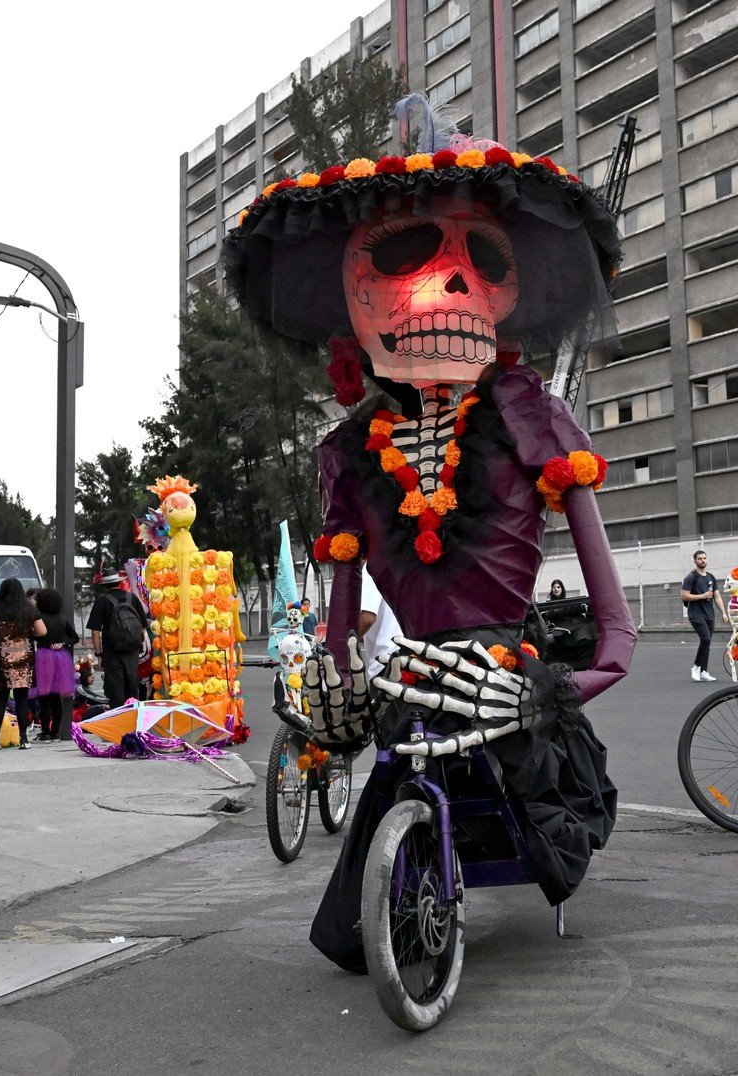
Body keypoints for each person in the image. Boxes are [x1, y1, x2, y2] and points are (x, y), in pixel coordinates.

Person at [223, 94, 633, 974]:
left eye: (478, 260)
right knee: (357, 916)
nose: (442, 284)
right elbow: (338, 626)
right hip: (412, 677)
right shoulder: (348, 454)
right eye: (406, 254)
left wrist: (551, 692)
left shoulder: (533, 415)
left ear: (507, 290)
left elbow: (617, 632)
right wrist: (332, 693)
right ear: (353, 291)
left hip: (504, 683)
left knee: (536, 809)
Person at [0, 578, 45, 750]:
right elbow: (42, 631)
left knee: (0, 699)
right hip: (24, 660)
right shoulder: (29, 609)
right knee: (22, 699)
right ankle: (24, 739)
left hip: (1, 660)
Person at [86, 571, 149, 706]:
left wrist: (99, 655)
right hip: (132, 652)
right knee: (132, 688)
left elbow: (95, 632)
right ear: (120, 582)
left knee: (116, 691)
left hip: (112, 653)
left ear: (105, 585)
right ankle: (133, 718)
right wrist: (136, 642)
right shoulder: (132, 598)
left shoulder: (101, 601)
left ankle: (118, 721)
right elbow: (143, 625)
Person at [30, 588, 79, 741]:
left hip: (43, 657)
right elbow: (75, 638)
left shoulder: (39, 618)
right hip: (61, 657)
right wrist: (63, 643)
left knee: (44, 696)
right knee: (57, 696)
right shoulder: (61, 618)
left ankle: (45, 732)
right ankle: (56, 731)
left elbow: (33, 636)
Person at [680, 550, 728, 682]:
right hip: (696, 614)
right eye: (700, 558)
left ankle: (703, 671)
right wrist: (702, 596)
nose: (703, 560)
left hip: (709, 614)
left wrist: (723, 613)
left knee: (707, 642)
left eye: (704, 558)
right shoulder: (691, 577)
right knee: (706, 639)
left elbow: (717, 597)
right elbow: (684, 595)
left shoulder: (711, 577)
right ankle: (696, 666)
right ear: (695, 561)